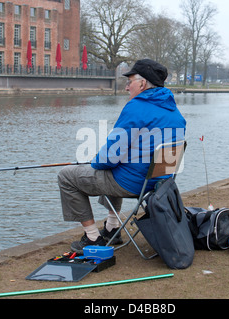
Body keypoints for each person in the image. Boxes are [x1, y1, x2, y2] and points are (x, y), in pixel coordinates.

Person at [57, 59, 186, 253]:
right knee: (112, 168)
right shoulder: (174, 112)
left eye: (130, 81)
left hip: (132, 183)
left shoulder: (136, 107)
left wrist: (95, 161)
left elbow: (109, 156)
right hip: (159, 184)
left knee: (67, 176)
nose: (126, 87)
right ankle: (112, 229)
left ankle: (92, 238)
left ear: (142, 84)